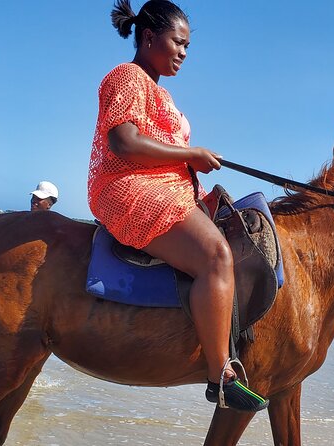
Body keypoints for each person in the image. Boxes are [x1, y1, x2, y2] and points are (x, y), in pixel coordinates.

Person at [87, 0, 268, 412]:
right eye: (178, 43)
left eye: (188, 46)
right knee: (215, 256)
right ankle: (220, 374)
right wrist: (189, 154)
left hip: (167, 187)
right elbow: (124, 143)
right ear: (149, 37)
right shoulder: (126, 76)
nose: (184, 53)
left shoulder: (160, 92)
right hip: (128, 186)